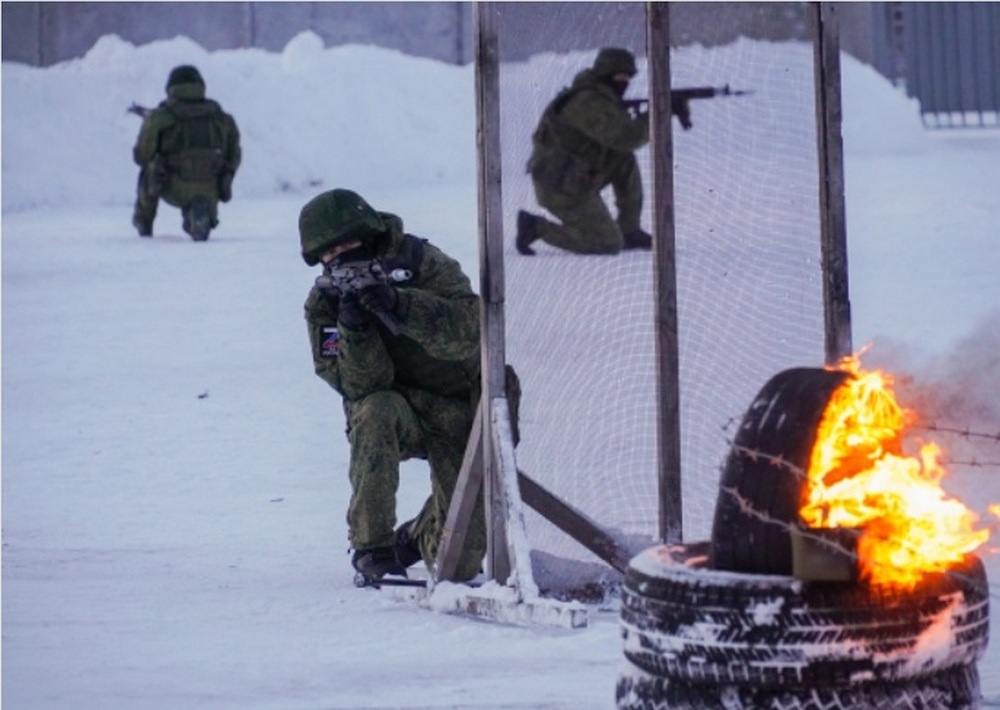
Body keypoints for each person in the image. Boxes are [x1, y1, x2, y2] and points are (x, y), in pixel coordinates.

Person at [299, 188, 486, 584]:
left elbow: (470, 334)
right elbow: (359, 388)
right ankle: (373, 546)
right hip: (396, 409)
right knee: (374, 410)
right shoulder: (324, 304)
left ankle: (418, 537)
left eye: (351, 244)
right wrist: (355, 329)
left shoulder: (423, 263)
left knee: (460, 561)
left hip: (461, 405)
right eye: (332, 255)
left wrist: (401, 304)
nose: (344, 259)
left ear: (370, 236)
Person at [517, 47, 653, 256]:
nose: (624, 82)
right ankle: (536, 228)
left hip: (575, 179)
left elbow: (620, 144)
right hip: (559, 188)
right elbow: (627, 137)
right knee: (607, 243)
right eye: (619, 76)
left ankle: (629, 229)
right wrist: (653, 117)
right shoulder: (586, 102)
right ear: (605, 74)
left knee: (623, 159)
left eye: (628, 77)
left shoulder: (597, 98)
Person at [131, 65, 241, 241]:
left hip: (173, 185)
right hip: (210, 186)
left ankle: (144, 222)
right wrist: (225, 174)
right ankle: (200, 215)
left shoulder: (161, 116)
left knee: (148, 170)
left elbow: (142, 155)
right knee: (201, 200)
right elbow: (234, 154)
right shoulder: (221, 117)